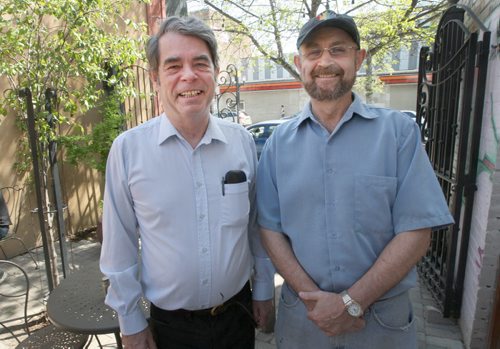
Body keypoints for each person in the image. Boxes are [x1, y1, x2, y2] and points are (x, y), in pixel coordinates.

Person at [256, 10, 454, 349]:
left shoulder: (398, 134)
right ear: (299, 62)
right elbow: (270, 229)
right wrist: (317, 303)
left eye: (338, 49)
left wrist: (351, 302)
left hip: (380, 326)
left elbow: (417, 231)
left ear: (358, 58)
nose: (325, 61)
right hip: (304, 322)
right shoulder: (277, 144)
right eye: (313, 51)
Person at [100, 16, 274, 349]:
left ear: (215, 72)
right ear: (155, 79)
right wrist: (131, 322)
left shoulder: (242, 143)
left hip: (237, 318)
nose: (188, 75)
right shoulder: (128, 150)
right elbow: (118, 247)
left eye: (200, 63)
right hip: (170, 330)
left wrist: (264, 289)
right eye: (173, 65)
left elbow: (256, 226)